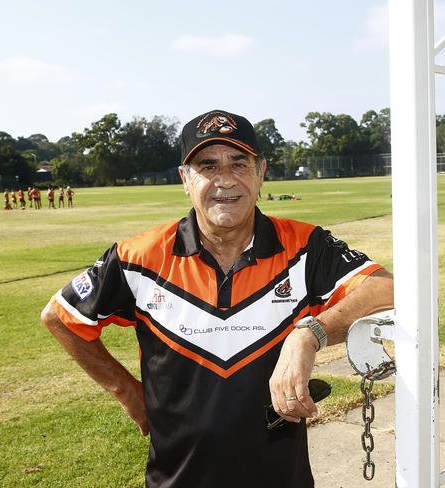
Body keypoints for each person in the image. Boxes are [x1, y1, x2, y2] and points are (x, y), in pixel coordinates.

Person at [40, 109, 394, 487]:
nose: (225, 179)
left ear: (261, 172)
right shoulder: (137, 257)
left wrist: (309, 334)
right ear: (185, 179)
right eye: (207, 166)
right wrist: (128, 393)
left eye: (239, 163)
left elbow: (387, 288)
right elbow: (61, 317)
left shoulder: (305, 246)